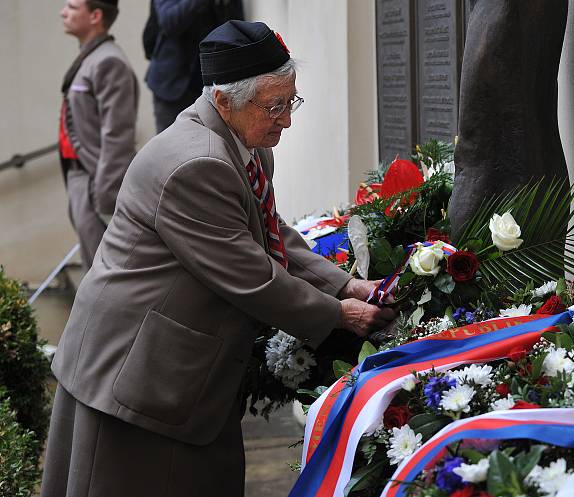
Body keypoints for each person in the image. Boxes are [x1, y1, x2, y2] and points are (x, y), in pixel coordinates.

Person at [41, 20, 394, 497]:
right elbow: (252, 275)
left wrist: (345, 285)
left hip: (179, 371)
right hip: (137, 373)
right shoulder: (197, 162)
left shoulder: (243, 140)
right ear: (224, 99)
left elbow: (271, 234)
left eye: (292, 101)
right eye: (275, 106)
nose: (286, 119)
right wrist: (341, 315)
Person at [59, 0, 139, 269]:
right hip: (80, 178)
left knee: (103, 273)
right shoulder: (91, 57)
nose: (63, 12)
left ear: (95, 16)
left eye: (71, 6)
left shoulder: (109, 61)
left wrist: (104, 197)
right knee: (94, 269)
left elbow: (117, 136)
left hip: (96, 183)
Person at [145, 0, 244, 133]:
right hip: (172, 85)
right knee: (170, 146)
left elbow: (237, 29)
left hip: (212, 86)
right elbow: (169, 22)